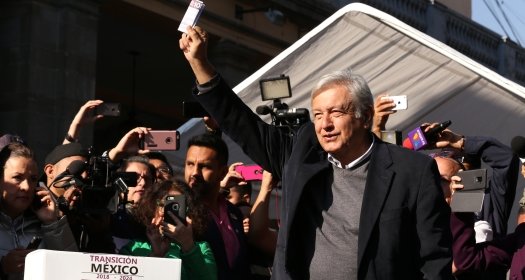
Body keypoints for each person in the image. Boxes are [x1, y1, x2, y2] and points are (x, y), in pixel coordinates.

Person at [180, 26, 452, 279]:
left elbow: (434, 260)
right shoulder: (302, 150)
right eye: (318, 114)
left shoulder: (411, 171)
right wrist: (199, 64)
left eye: (336, 112)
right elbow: (242, 123)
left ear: (365, 116)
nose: (325, 124)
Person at [0, 142, 77, 280]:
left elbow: (72, 271)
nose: (26, 187)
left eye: (33, 179)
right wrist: (2, 267)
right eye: (17, 177)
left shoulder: (46, 224)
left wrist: (52, 222)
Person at [120, 179, 217, 280]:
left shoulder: (201, 248)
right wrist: (156, 255)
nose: (167, 212)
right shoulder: (135, 247)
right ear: (152, 208)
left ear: (188, 212)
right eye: (162, 205)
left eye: (175, 207)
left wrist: (188, 245)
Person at [184, 133, 250, 280]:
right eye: (190, 164)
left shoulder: (234, 213)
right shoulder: (179, 210)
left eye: (204, 166)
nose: (194, 172)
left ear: (223, 172)